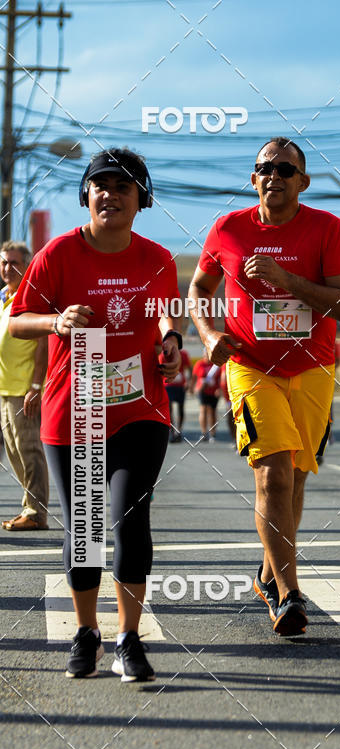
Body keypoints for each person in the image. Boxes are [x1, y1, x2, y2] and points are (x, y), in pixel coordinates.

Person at [9, 147, 181, 681]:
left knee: (131, 519)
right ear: (86, 196)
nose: (110, 194)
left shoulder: (157, 258)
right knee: (83, 530)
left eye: (123, 186)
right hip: (75, 412)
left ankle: (129, 637)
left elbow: (166, 313)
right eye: (100, 185)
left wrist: (172, 342)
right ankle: (87, 632)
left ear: (141, 199)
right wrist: (56, 322)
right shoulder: (57, 254)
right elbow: (17, 321)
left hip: (140, 410)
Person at [188, 137, 340, 636]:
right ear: (253, 178)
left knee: (295, 478)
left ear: (303, 181)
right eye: (265, 168)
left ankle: (267, 573)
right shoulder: (228, 228)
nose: (273, 176)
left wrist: (286, 279)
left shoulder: (326, 228)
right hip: (251, 365)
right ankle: (288, 593)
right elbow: (199, 288)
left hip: (312, 367)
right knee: (273, 475)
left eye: (285, 169)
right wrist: (208, 334)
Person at [0, 241, 49, 530]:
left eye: (14, 262)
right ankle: (29, 506)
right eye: (4, 262)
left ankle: (35, 513)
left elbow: (42, 344)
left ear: (27, 266)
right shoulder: (4, 297)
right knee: (14, 452)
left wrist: (35, 386)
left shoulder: (30, 298)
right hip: (4, 388)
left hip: (23, 389)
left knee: (29, 450)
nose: (8, 268)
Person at [190, 350, 220, 441]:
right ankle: (204, 432)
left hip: (213, 391)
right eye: (206, 355)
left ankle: (213, 433)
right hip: (202, 390)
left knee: (212, 411)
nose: (207, 357)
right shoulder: (199, 364)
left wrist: (219, 389)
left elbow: (220, 377)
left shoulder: (216, 364)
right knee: (203, 409)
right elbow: (194, 377)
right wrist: (192, 388)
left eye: (209, 355)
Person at [165, 345, 191, 442]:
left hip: (180, 385)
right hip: (168, 385)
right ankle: (172, 431)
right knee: (169, 409)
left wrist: (188, 382)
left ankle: (179, 431)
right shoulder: (164, 354)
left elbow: (189, 368)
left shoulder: (183, 354)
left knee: (181, 408)